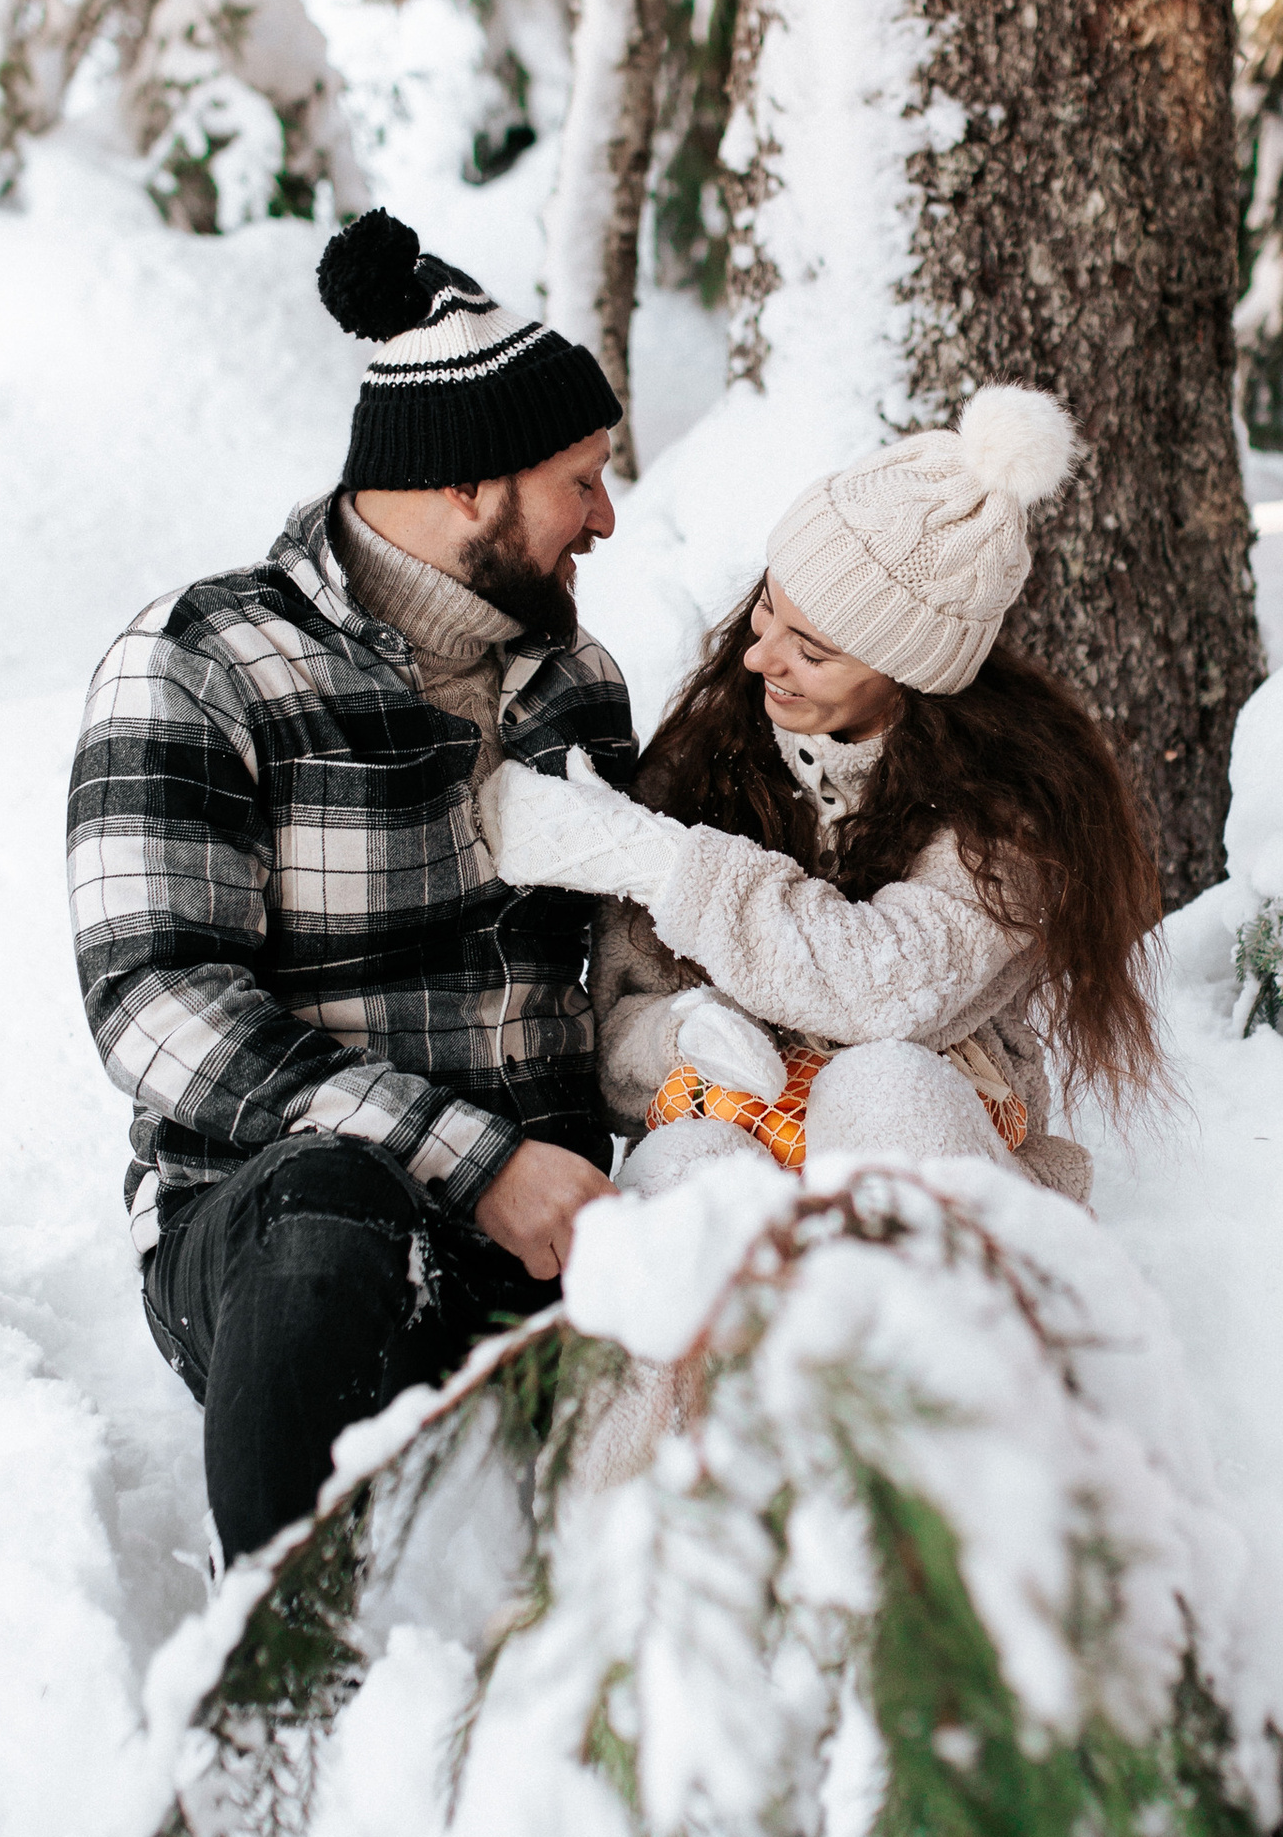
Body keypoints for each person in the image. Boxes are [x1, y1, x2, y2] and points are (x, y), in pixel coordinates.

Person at [66, 211, 634, 1564]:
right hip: (286, 1244)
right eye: (581, 481)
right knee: (330, 1205)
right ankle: (280, 1655)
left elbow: (628, 951)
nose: (606, 520)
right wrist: (477, 1163)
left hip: (552, 1236)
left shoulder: (573, 678)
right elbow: (156, 1006)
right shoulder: (202, 660)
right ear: (465, 487)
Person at [482, 388, 1166, 1221]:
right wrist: (678, 1039)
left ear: (906, 671)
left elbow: (886, 988)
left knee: (884, 1084)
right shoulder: (705, 760)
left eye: (812, 650)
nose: (761, 655)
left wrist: (662, 861)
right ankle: (675, 1344)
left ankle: (937, 1336)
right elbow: (619, 1026)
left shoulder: (1004, 815)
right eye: (768, 605)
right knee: (692, 1168)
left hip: (927, 1123)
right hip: (741, 1128)